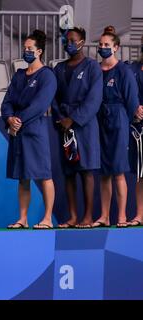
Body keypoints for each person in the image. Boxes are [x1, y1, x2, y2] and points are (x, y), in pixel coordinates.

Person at [1, 30, 57, 230]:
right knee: (23, 177)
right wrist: (10, 119)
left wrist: (20, 119)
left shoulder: (47, 76)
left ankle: (48, 218)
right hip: (18, 132)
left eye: (30, 49)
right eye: (24, 48)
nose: (26, 51)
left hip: (35, 131)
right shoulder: (18, 75)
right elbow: (7, 101)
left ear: (39, 51)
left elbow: (40, 104)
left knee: (44, 175)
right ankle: (22, 219)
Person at [52, 27, 103, 228]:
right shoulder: (59, 68)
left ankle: (88, 216)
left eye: (73, 40)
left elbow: (94, 99)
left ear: (82, 42)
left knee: (86, 170)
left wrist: (73, 119)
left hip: (84, 125)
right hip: (64, 125)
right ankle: (73, 216)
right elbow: (53, 98)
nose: (69, 44)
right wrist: (61, 118)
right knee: (69, 171)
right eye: (67, 40)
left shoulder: (92, 67)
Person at [93, 31, 140, 228]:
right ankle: (104, 216)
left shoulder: (124, 71)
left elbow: (132, 101)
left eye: (107, 44)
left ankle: (121, 216)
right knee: (104, 173)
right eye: (100, 44)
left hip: (119, 121)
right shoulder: (95, 70)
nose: (103, 47)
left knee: (118, 172)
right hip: (98, 122)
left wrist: (131, 118)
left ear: (116, 48)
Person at [127, 34, 143, 227]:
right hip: (138, 127)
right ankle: (140, 215)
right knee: (141, 175)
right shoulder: (132, 69)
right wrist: (135, 109)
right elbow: (127, 95)